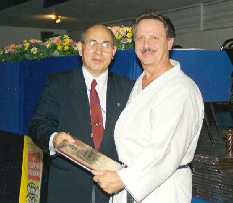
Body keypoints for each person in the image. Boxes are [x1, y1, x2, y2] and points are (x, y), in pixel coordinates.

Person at [92, 10, 204, 202]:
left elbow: (165, 151)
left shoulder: (180, 90)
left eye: (154, 38)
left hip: (162, 190)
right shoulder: (142, 82)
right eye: (140, 38)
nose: (146, 45)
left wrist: (123, 179)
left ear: (169, 43)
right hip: (132, 182)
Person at [29, 24, 134, 203]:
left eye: (105, 45)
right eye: (92, 43)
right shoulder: (58, 84)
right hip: (67, 191)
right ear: (80, 48)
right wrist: (54, 138)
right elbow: (38, 125)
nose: (98, 51)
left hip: (113, 193)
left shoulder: (129, 89)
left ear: (114, 51)